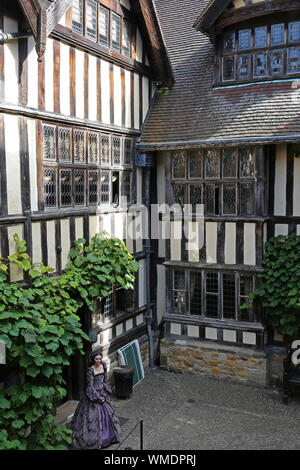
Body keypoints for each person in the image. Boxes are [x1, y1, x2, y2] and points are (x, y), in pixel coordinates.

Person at [71, 351, 121, 449]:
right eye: (96, 359)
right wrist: (98, 397)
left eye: (99, 359)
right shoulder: (90, 370)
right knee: (91, 418)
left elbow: (104, 380)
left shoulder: (103, 366)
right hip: (93, 395)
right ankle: (95, 440)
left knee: (108, 414)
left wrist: (106, 391)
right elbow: (90, 386)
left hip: (103, 392)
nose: (98, 361)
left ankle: (109, 436)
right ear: (93, 360)